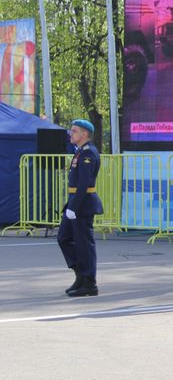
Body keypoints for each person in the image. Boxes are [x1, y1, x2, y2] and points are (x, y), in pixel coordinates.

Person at [59, 119, 103, 297]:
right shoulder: (79, 152)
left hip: (82, 205)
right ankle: (80, 275)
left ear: (84, 134)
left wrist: (74, 207)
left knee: (84, 244)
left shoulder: (88, 153)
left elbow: (85, 183)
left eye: (74, 131)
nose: (71, 133)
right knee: (63, 238)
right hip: (75, 202)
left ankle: (90, 283)